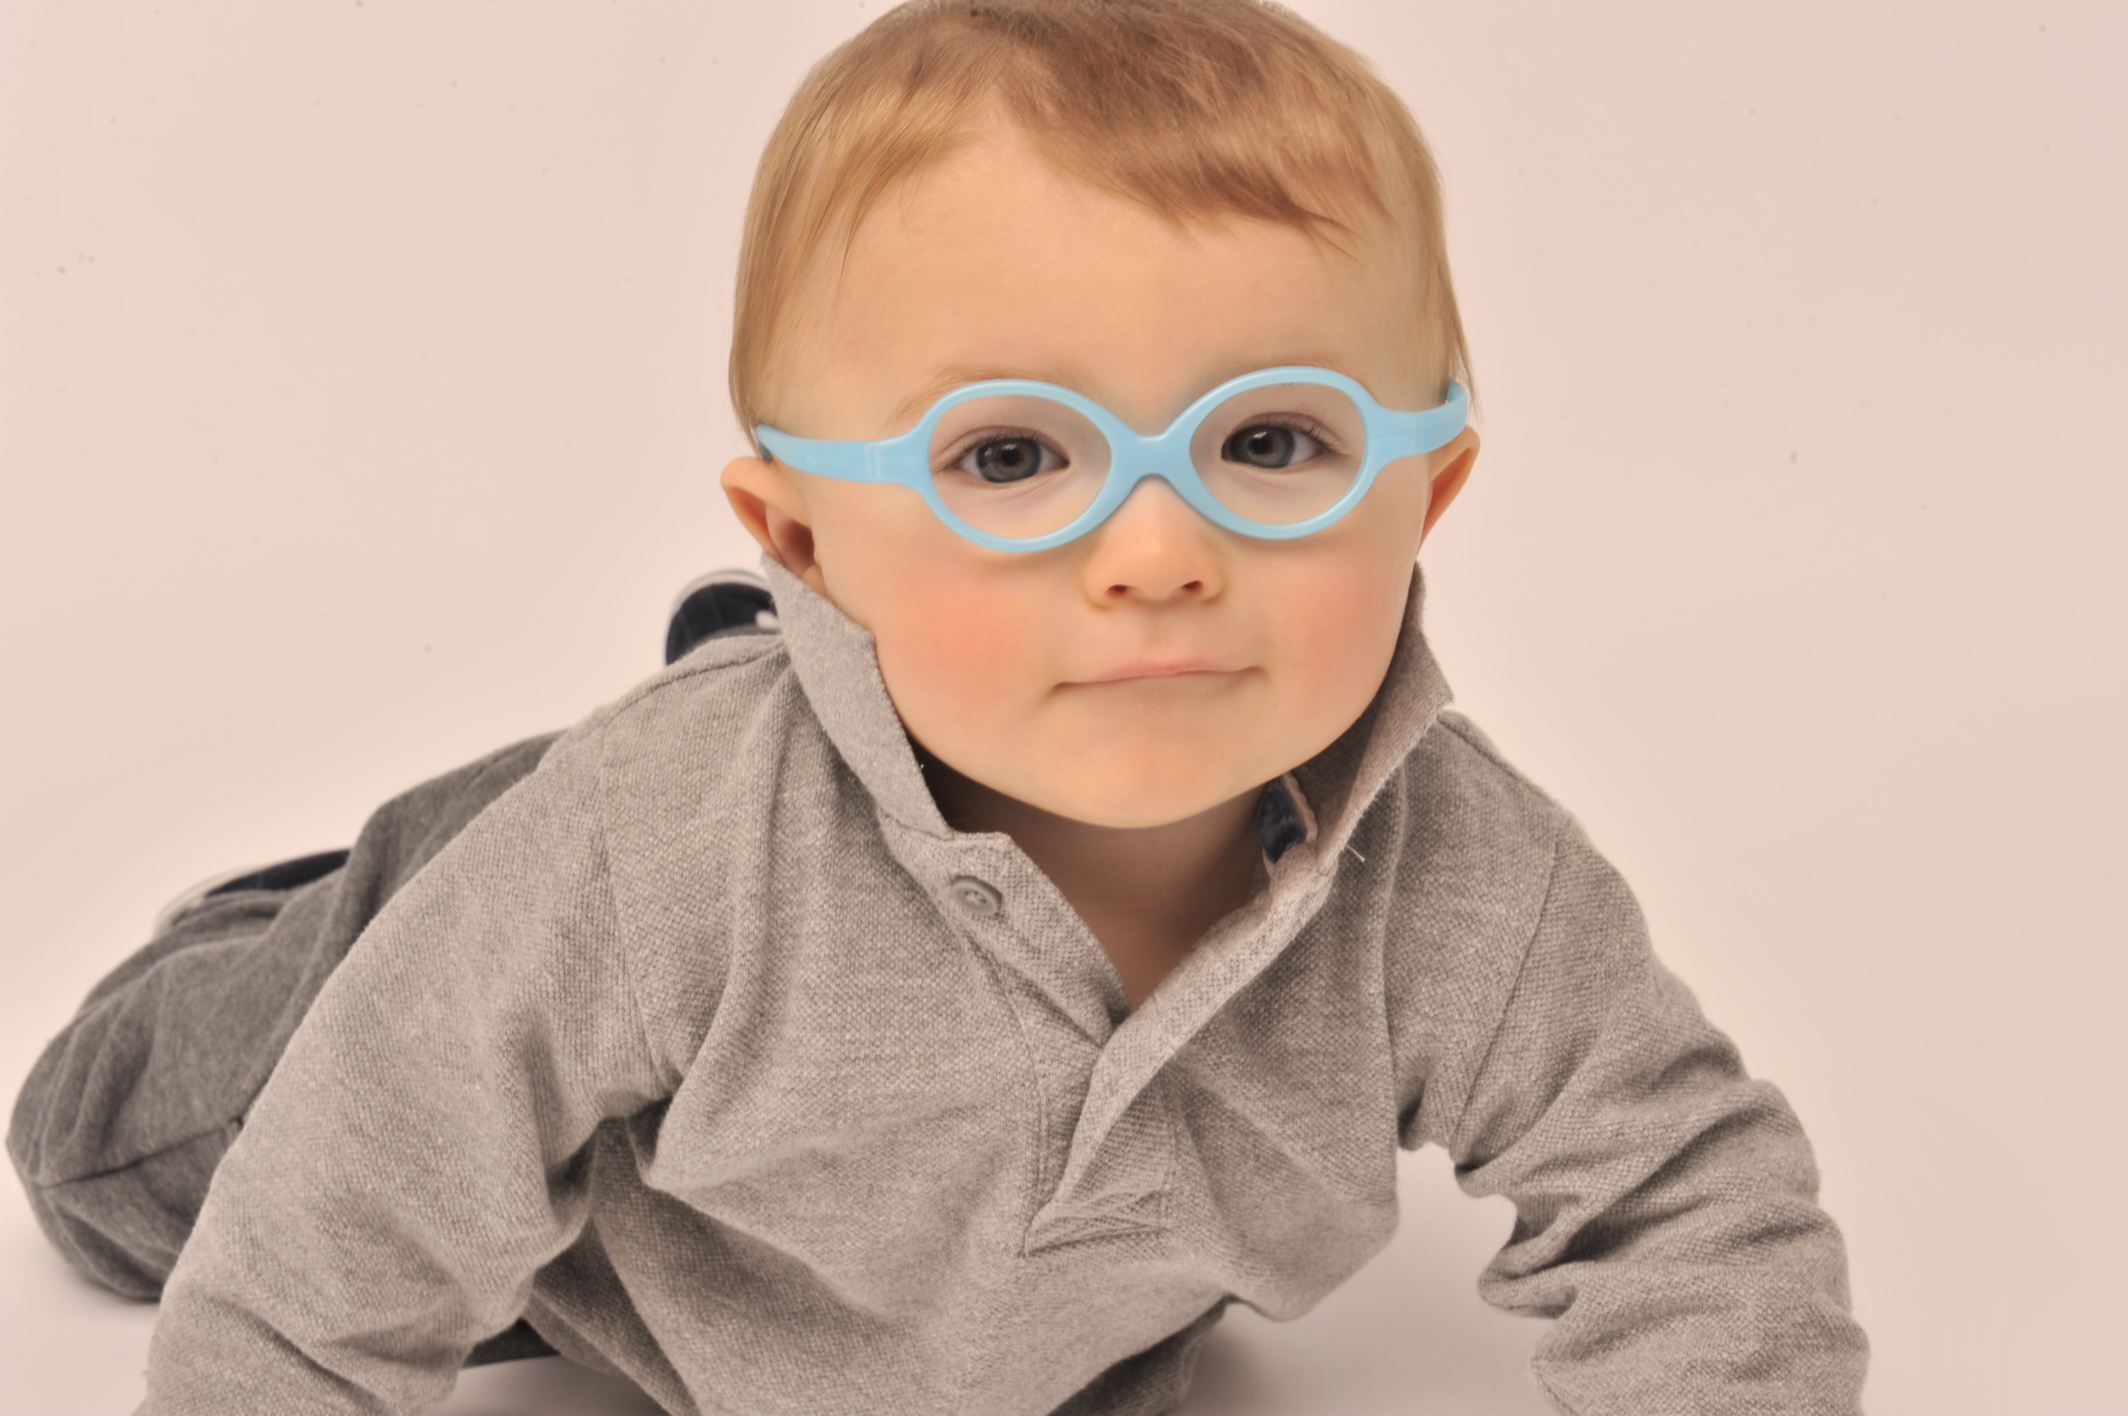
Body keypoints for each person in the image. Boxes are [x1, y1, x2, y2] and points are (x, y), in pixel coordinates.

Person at [8, 1, 1869, 1411]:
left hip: (884, 1300)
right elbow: (327, 1237)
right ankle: (314, 905)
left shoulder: (1474, 890)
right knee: (115, 1160)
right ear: (804, 537)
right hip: (512, 1095)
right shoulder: (653, 856)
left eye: (1275, 441)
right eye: (1010, 455)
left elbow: (1691, 1212)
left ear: (1424, 492)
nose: (1157, 553)